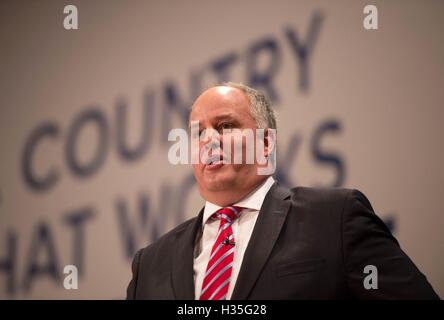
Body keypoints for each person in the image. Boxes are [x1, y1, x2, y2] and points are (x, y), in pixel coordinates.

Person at [126, 82, 439, 300]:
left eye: (225, 127)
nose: (209, 140)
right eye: (197, 133)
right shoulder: (150, 263)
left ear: (266, 144)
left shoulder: (334, 219)